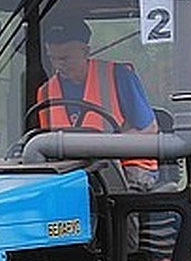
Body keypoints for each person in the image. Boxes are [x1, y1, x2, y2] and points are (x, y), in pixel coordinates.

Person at [36, 16, 158, 190]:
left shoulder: (118, 76)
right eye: (52, 58)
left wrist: (109, 149)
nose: (58, 66)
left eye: (65, 59)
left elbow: (149, 128)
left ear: (86, 52)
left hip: (127, 167)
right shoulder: (45, 92)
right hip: (72, 170)